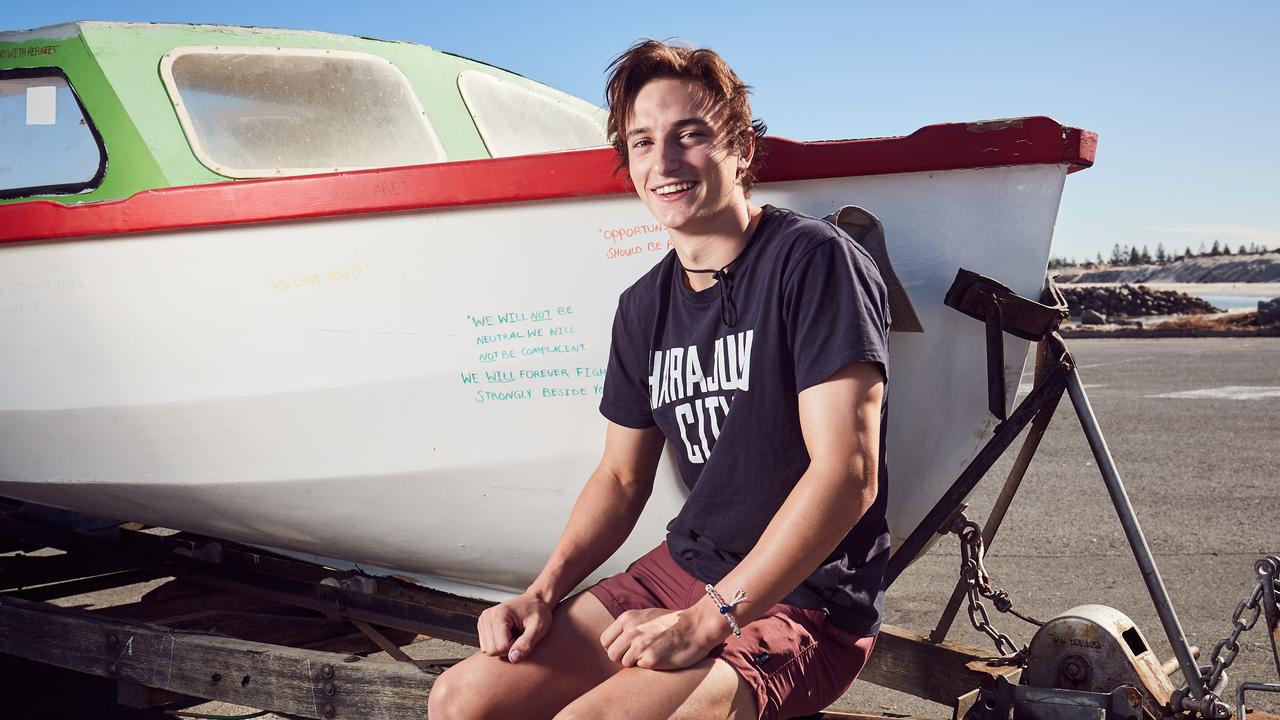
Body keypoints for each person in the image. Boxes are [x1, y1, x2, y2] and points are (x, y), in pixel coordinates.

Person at [428, 39, 891, 720]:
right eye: (642, 142)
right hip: (685, 564)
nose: (664, 163)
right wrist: (542, 592)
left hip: (805, 597)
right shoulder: (643, 306)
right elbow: (619, 479)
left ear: (741, 149)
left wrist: (710, 620)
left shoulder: (814, 261)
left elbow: (847, 473)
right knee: (461, 699)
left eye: (690, 135)